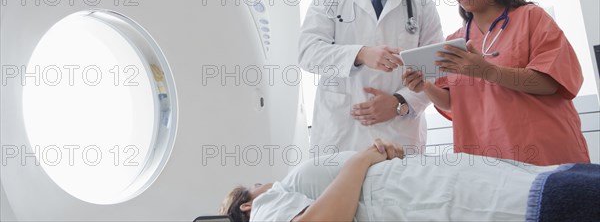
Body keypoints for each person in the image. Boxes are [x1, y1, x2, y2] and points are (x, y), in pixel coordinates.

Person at [402, 0, 590, 166]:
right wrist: (426, 87)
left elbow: (550, 82)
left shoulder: (531, 18)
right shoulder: (454, 41)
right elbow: (453, 102)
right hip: (485, 156)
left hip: (543, 149)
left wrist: (487, 71)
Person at [298, 0, 443, 154]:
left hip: (399, 133)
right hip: (342, 133)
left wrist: (400, 103)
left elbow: (435, 69)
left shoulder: (422, 5)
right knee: (342, 192)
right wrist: (361, 54)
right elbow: (307, 53)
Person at [219, 139, 600, 222]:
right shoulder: (266, 207)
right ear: (248, 203)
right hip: (473, 197)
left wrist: (385, 157)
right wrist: (364, 159)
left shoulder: (293, 187)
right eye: (255, 184)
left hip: (476, 182)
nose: (264, 182)